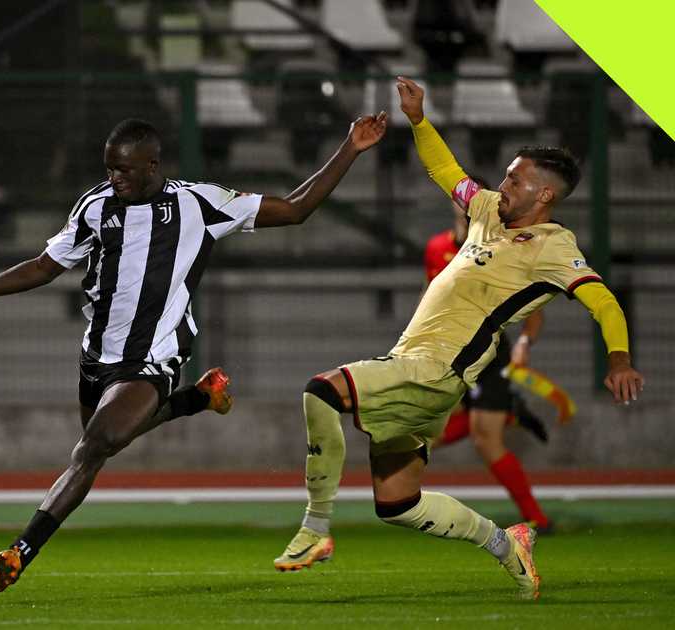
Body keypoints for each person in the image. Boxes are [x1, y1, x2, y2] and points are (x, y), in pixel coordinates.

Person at [0, 113, 389, 593]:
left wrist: (351, 146)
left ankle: (21, 549)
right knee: (104, 442)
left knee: (94, 446)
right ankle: (198, 399)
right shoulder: (95, 206)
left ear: (152, 164)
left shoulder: (199, 203)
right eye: (109, 169)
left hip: (156, 354)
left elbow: (295, 208)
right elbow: (41, 268)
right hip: (97, 355)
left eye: (123, 171)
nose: (113, 179)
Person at [271, 77, 645, 600]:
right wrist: (419, 120)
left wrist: (620, 358)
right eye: (507, 176)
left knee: (320, 390)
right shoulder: (489, 211)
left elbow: (603, 301)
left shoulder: (554, 249)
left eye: (515, 180)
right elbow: (446, 171)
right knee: (397, 502)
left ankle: (315, 528)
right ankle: (505, 543)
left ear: (544, 195)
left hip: (438, 366)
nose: (503, 184)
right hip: (420, 366)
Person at [424, 180, 555, 531]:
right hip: (449, 353)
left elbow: (533, 307)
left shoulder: (503, 248)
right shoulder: (436, 248)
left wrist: (525, 343)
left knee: (487, 440)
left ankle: (537, 519)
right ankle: (504, 412)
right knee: (428, 432)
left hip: (489, 353)